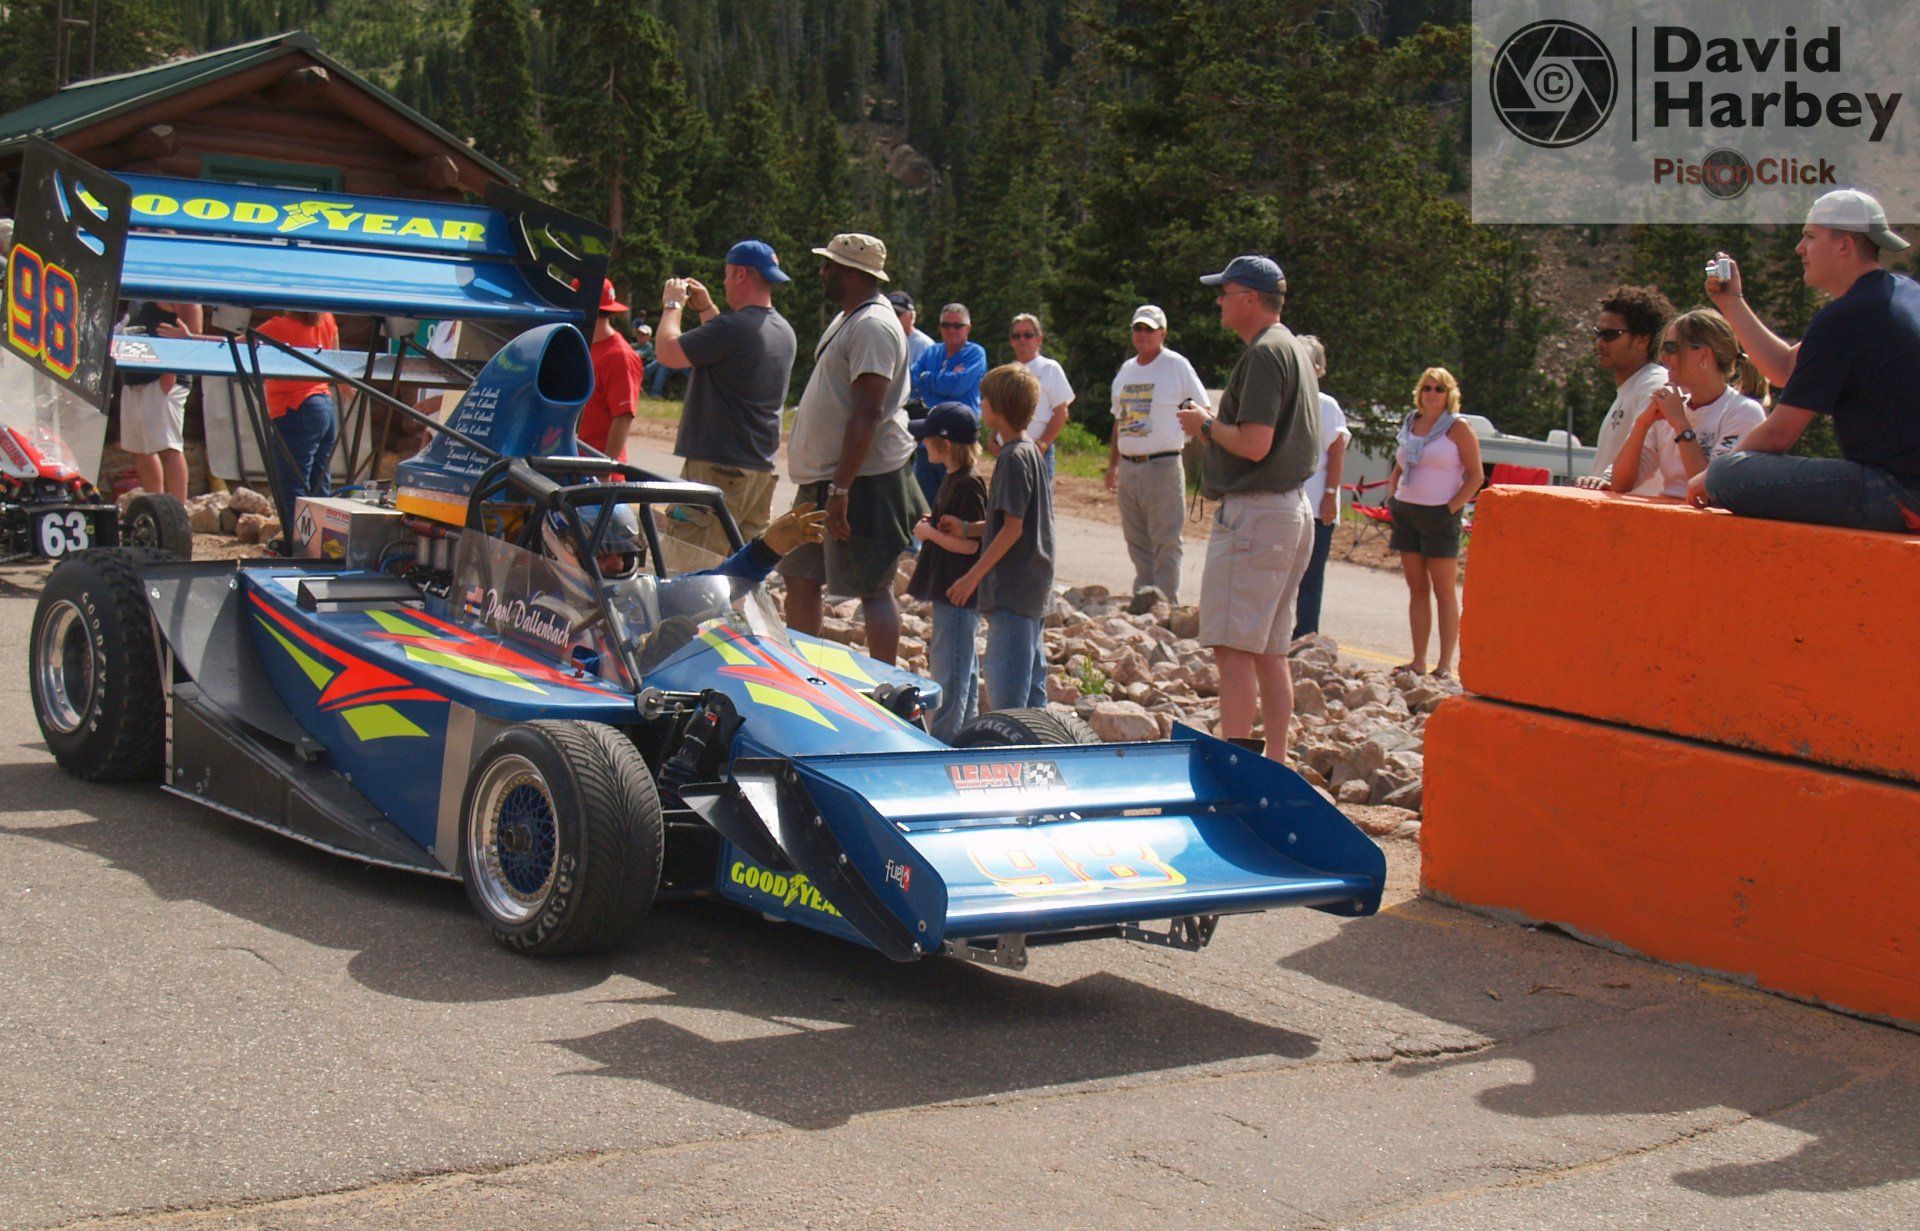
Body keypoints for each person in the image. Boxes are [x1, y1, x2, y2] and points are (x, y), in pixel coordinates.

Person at [1692, 189, 1920, 532]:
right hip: (1908, 486)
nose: (1800, 249)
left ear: (1844, 245)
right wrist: (1731, 303)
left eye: (1810, 237)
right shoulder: (1901, 293)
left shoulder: (1847, 316)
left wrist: (1711, 476)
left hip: (1898, 493)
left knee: (1727, 473)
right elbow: (1784, 370)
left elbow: (1780, 433)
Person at [1176, 254, 1320, 762]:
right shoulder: (1293, 347)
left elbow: (1256, 443)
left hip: (1256, 515)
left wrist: (1205, 427)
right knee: (1270, 649)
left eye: (1226, 291)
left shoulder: (1263, 353)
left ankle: (1237, 765)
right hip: (1289, 510)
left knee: (1234, 648)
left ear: (1251, 299)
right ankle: (1274, 761)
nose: (1219, 300)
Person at [777, 232, 927, 665]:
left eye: (830, 267)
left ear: (851, 274)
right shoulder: (853, 317)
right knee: (801, 575)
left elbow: (868, 411)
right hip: (827, 477)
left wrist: (841, 491)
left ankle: (887, 685)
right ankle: (799, 671)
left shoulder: (874, 326)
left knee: (873, 587)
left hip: (862, 480)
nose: (822, 273)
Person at [654, 239, 800, 554]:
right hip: (758, 472)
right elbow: (726, 348)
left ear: (741, 275)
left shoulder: (734, 328)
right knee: (738, 573)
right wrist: (707, 309)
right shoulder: (782, 330)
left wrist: (672, 305)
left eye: (726, 274)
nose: (723, 282)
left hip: (718, 468)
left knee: (692, 567)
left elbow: (668, 352)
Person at [947, 364, 1052, 711]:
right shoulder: (1030, 450)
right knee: (1033, 694)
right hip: (1032, 589)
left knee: (1009, 700)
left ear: (996, 407)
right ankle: (1042, 755)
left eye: (984, 399)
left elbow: (1012, 528)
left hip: (1013, 591)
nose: (981, 405)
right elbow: (1011, 520)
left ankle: (1016, 759)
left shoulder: (1012, 458)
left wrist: (971, 577)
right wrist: (966, 529)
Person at [1105, 304, 1209, 602]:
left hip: (1163, 463)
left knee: (1166, 538)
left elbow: (1201, 407)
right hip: (1129, 465)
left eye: (1149, 329)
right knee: (1136, 538)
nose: (1142, 334)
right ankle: (1144, 596)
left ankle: (1165, 601)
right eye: (1138, 328)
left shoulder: (1176, 365)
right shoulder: (1126, 370)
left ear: (1162, 333)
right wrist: (1112, 466)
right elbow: (1118, 420)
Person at [1385, 368, 1483, 679]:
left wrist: (1450, 509)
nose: (1432, 393)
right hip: (1407, 511)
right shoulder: (1411, 422)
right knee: (1417, 588)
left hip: (1440, 515)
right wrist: (1393, 495)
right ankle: (1418, 660)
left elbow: (1476, 476)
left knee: (1444, 590)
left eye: (1439, 388)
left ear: (1449, 393)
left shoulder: (1457, 427)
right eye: (1427, 387)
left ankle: (1444, 665)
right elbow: (1401, 464)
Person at [1608, 309, 1766, 499]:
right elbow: (1621, 483)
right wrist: (1642, 423)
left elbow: (1710, 490)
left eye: (1670, 348)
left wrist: (1681, 425)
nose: (1663, 358)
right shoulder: (1670, 407)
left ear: (1703, 355)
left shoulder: (1743, 412)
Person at [905, 403, 987, 740]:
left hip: (958, 592)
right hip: (950, 591)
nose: (922, 444)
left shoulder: (968, 483)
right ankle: (964, 736)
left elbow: (970, 547)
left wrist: (928, 535)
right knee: (961, 668)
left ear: (946, 444)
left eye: (927, 438)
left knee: (949, 674)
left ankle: (943, 744)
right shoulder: (955, 479)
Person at [1578, 286, 1675, 488]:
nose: (1599, 343)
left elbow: (1644, 456)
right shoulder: (1631, 389)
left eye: (1610, 335)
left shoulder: (1654, 384)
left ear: (1642, 340)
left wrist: (1606, 480)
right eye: (1598, 333)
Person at [254, 309, 341, 530]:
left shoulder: (278, 326)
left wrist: (189, 339)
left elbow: (232, 346)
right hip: (324, 405)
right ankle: (322, 546)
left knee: (292, 484)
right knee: (319, 485)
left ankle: (298, 545)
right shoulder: (327, 319)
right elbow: (336, 355)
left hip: (295, 408)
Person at [1292, 334, 1349, 642]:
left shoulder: (1327, 406)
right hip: (1284, 504)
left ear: (1318, 368)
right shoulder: (1282, 401)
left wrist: (1330, 496)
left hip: (1316, 506)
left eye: (1308, 362)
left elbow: (1338, 451)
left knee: (1311, 576)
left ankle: (1306, 636)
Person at [117, 299, 203, 503]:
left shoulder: (182, 294)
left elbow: (194, 335)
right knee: (139, 448)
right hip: (134, 378)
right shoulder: (140, 294)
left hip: (164, 380)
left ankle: (177, 509)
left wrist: (170, 372)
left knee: (168, 446)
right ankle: (157, 506)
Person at [907, 302, 986, 508]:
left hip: (958, 442)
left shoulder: (975, 353)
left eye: (957, 326)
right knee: (925, 505)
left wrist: (929, 379)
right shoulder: (932, 351)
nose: (951, 330)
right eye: (946, 325)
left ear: (968, 328)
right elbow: (912, 379)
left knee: (957, 503)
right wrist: (941, 379)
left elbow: (957, 386)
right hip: (929, 441)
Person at [576, 279, 645, 462]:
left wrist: (605, 466)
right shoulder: (581, 344)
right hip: (571, 461)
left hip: (595, 471)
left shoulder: (619, 356)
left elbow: (623, 416)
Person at [1008, 313, 1074, 483]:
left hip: (1037, 450)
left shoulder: (1049, 368)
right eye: (1017, 335)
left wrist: (1043, 445)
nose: (1022, 339)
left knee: (1038, 507)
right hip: (1009, 450)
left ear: (1039, 339)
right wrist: (993, 439)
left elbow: (1061, 412)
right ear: (1011, 341)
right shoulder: (1009, 372)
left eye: (1028, 335)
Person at [891, 291, 936, 364]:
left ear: (911, 316)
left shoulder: (924, 344)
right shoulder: (884, 340)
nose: (893, 317)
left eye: (897, 313)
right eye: (890, 313)